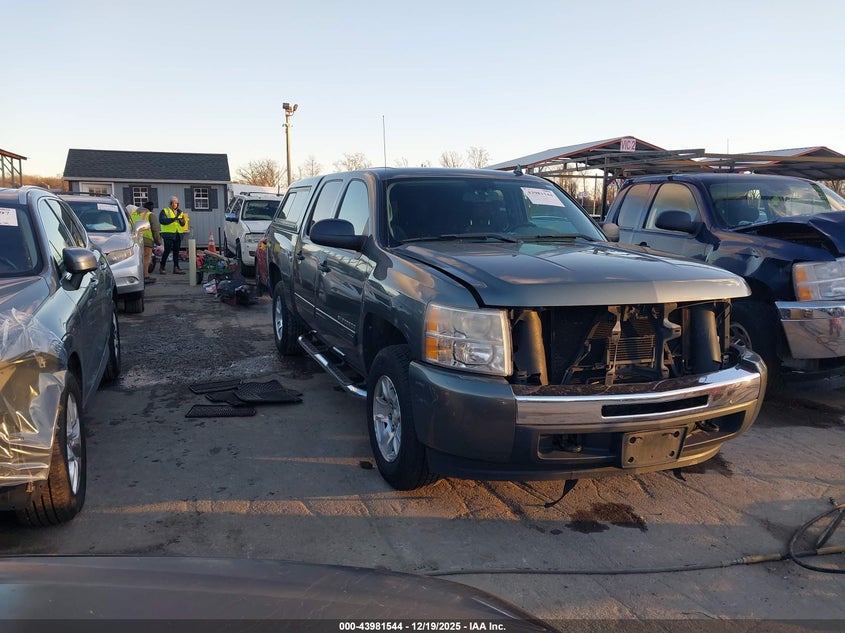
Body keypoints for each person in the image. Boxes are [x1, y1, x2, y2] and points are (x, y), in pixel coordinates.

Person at [159, 196, 186, 274]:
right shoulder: (164, 211)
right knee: (167, 250)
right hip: (168, 234)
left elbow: (183, 223)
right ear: (170, 203)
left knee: (176, 251)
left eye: (176, 203)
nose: (175, 205)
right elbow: (162, 220)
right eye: (173, 203)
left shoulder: (180, 212)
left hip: (178, 234)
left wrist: (181, 220)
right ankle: (162, 266)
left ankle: (176, 267)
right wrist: (174, 218)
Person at [138, 200, 162, 282]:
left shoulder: (133, 214)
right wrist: (158, 241)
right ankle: (145, 276)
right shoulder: (150, 215)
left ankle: (137, 275)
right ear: (151, 209)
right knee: (146, 258)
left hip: (134, 239)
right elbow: (155, 230)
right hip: (146, 240)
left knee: (137, 259)